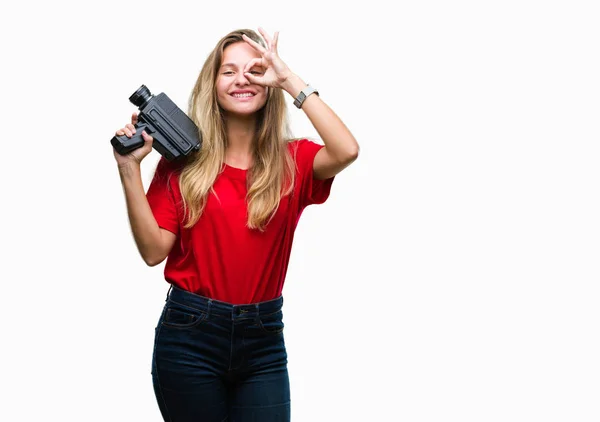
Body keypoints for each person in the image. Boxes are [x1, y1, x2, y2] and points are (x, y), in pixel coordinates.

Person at [113, 27, 359, 422]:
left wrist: (288, 79)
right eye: (228, 71)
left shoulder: (293, 161)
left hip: (263, 339)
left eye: (254, 70)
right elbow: (153, 251)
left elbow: (347, 149)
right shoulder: (182, 166)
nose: (242, 79)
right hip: (190, 334)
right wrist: (129, 170)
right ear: (212, 86)